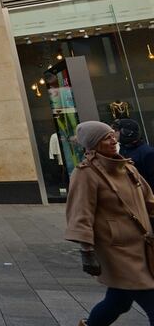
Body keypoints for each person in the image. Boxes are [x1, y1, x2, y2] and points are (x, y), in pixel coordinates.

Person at [65, 121, 154, 326]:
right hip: (119, 250)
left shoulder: (127, 167)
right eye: (106, 138)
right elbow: (80, 213)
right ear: (93, 144)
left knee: (118, 302)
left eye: (113, 135)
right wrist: (86, 251)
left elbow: (148, 198)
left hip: (143, 244)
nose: (113, 140)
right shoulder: (86, 173)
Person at [115, 118, 154, 190]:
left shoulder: (148, 153)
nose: (114, 134)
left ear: (126, 133)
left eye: (116, 131)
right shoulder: (123, 149)